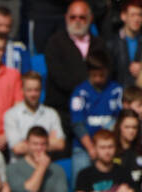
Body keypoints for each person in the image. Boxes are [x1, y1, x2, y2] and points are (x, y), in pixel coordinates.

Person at [43, 1, 105, 145]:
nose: (77, 21)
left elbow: (104, 73)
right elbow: (59, 76)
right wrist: (84, 89)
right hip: (62, 110)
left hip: (92, 110)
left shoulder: (99, 44)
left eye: (82, 17)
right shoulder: (54, 43)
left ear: (90, 19)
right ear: (66, 18)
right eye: (73, 17)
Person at [69, 49, 123, 181]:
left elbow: (120, 119)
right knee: (82, 178)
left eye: (101, 75)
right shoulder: (80, 92)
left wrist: (107, 148)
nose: (98, 79)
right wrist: (91, 149)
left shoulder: (116, 90)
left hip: (110, 147)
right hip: (85, 148)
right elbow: (77, 124)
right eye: (94, 75)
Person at [5, 71, 66, 158]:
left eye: (36, 90)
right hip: (21, 168)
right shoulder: (11, 115)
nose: (33, 94)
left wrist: (27, 143)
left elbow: (60, 144)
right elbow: (17, 148)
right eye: (29, 90)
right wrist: (47, 142)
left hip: (46, 165)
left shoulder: (51, 114)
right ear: (22, 90)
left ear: (41, 90)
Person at [106, 0, 142, 86]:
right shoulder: (111, 44)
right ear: (123, 16)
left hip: (140, 94)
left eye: (140, 15)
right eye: (133, 15)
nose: (137, 19)